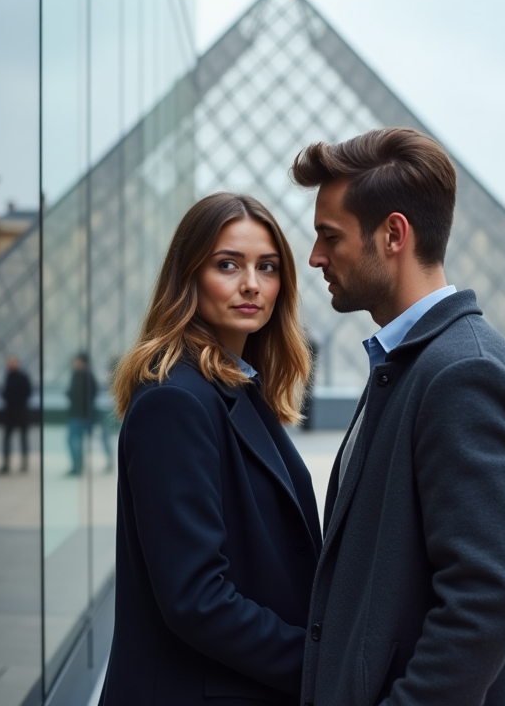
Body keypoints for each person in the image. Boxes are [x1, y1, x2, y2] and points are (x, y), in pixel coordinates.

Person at [292, 128, 505, 705]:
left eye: (328, 237)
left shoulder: (461, 375)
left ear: (393, 234)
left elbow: (488, 599)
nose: (314, 258)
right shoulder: (417, 362)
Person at [99, 192, 319, 705]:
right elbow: (196, 598)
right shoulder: (174, 401)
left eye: (268, 267)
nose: (252, 284)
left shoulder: (234, 388)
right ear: (188, 276)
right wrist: (321, 667)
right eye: (228, 265)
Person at [65, 353, 100, 476]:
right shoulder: (78, 375)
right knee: (74, 440)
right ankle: (77, 465)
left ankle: (77, 466)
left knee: (74, 440)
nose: (74, 363)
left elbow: (85, 394)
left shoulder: (86, 376)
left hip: (80, 414)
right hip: (77, 413)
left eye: (77, 361)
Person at [0, 356, 33, 474]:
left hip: (20, 412)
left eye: (12, 362)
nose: (10, 364)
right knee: (8, 439)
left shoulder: (21, 377)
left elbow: (28, 392)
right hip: (12, 412)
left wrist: (10, 398)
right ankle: (6, 464)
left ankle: (24, 464)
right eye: (9, 362)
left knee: (22, 439)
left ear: (17, 363)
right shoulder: (9, 376)